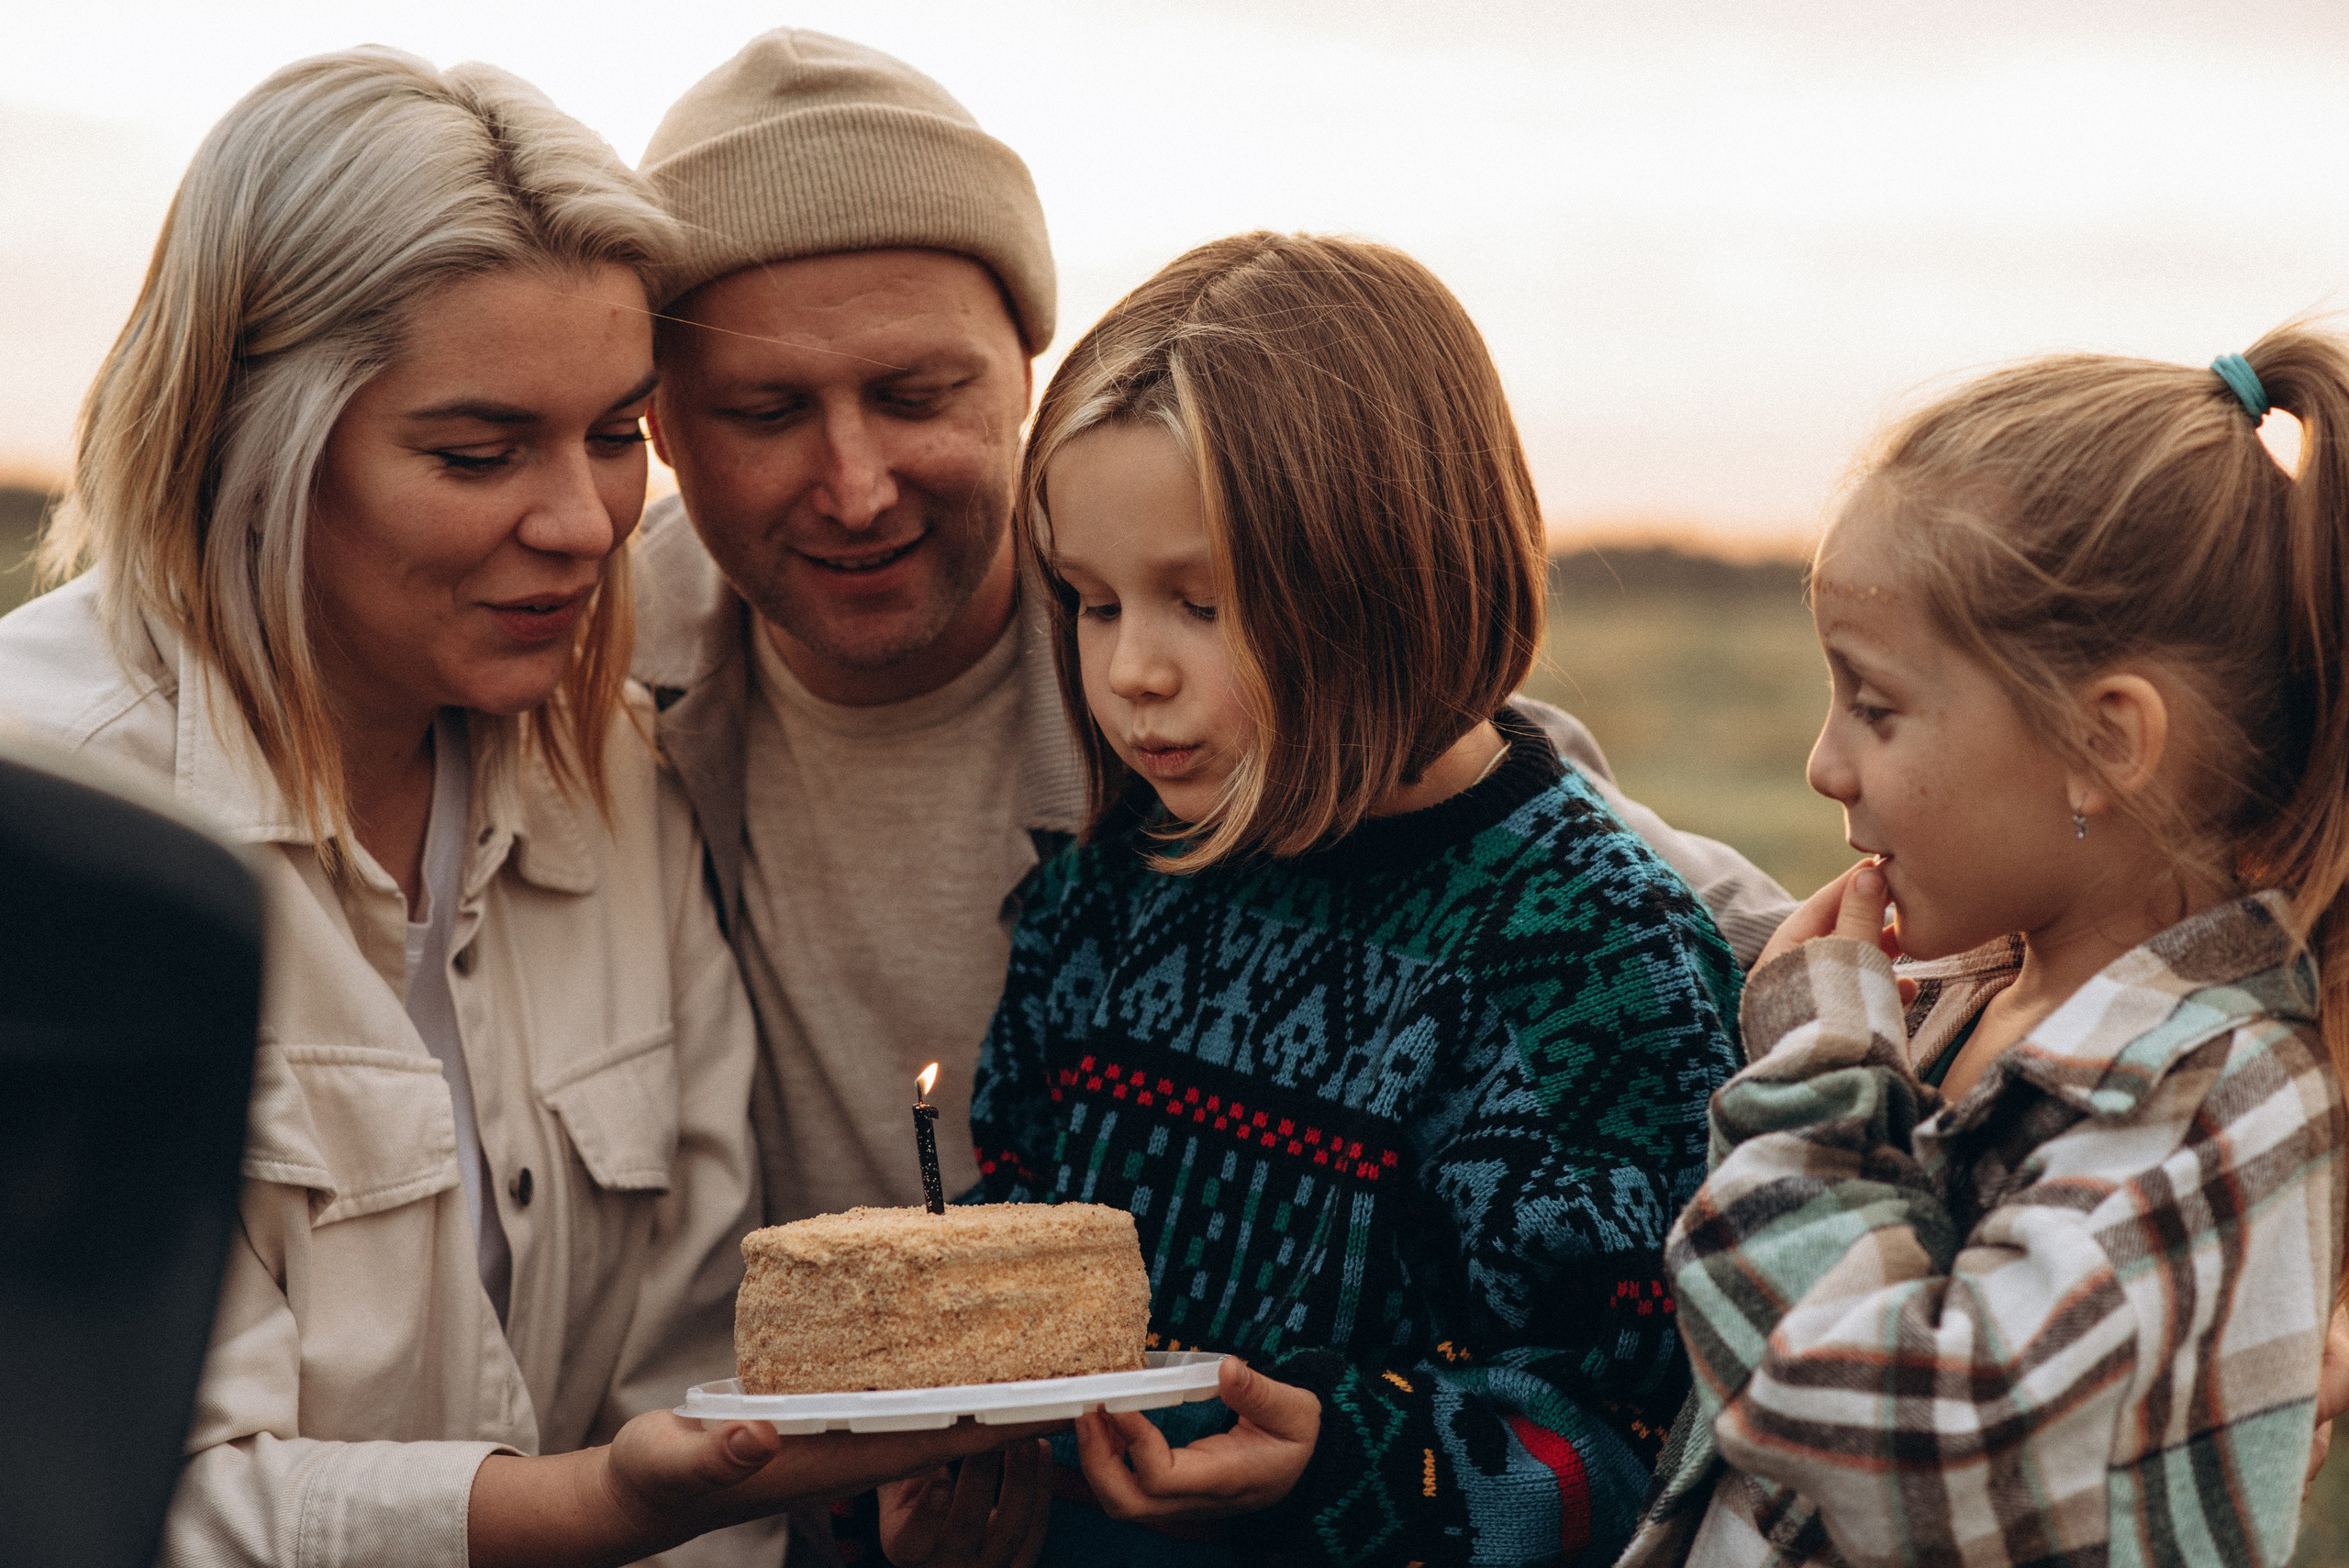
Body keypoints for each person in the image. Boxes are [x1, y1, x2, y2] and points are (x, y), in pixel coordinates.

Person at [0, 49, 1046, 1568]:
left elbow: (694, 1359)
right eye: (477, 451)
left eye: (615, 435)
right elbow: (109, 1486)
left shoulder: (611, 769)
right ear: (253, 438)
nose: (583, 524)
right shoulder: (54, 829)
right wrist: (602, 1501)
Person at [627, 28, 1797, 1238]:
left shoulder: (1168, 583)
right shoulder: (584, 672)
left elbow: (1517, 827)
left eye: (917, 395)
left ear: (1023, 373)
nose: (857, 485)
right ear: (659, 423)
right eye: (768, 412)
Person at [958, 232, 1746, 1568]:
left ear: (1387, 576)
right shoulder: (1100, 902)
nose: (1131, 670)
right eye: (1092, 605)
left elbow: (1639, 1438)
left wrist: (1355, 1456)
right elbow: (1013, 1246)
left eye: (1200, 603)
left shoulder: (1588, 958)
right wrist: (965, 1466)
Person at [1619, 332, 2349, 1566]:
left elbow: (1915, 1462)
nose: (1824, 762)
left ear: (2105, 744)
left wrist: (1807, 1083)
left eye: (1876, 704)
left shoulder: (2213, 1095)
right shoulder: (1974, 997)